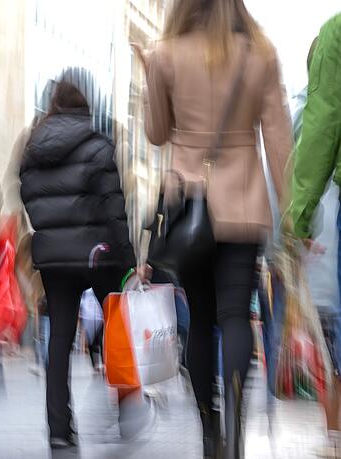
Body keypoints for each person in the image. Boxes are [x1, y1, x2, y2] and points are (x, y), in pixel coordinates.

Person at [135, 0, 292, 456]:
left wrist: (151, 76)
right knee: (236, 317)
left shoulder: (166, 53)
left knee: (200, 320)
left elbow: (157, 132)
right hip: (244, 201)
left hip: (189, 205)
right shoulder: (260, 52)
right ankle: (237, 424)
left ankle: (210, 430)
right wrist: (292, 211)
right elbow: (278, 138)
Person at [19, 69, 135, 448]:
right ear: (84, 110)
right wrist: (128, 258)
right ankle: (129, 406)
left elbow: (28, 195)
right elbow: (113, 207)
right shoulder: (98, 145)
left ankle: (58, 429)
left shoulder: (32, 147)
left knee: (60, 340)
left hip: (53, 258)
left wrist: (48, 230)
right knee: (117, 320)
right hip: (95, 253)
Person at [288, 13, 341, 457]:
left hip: (324, 237)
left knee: (334, 333)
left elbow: (319, 135)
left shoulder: (336, 34)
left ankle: (333, 436)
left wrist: (297, 221)